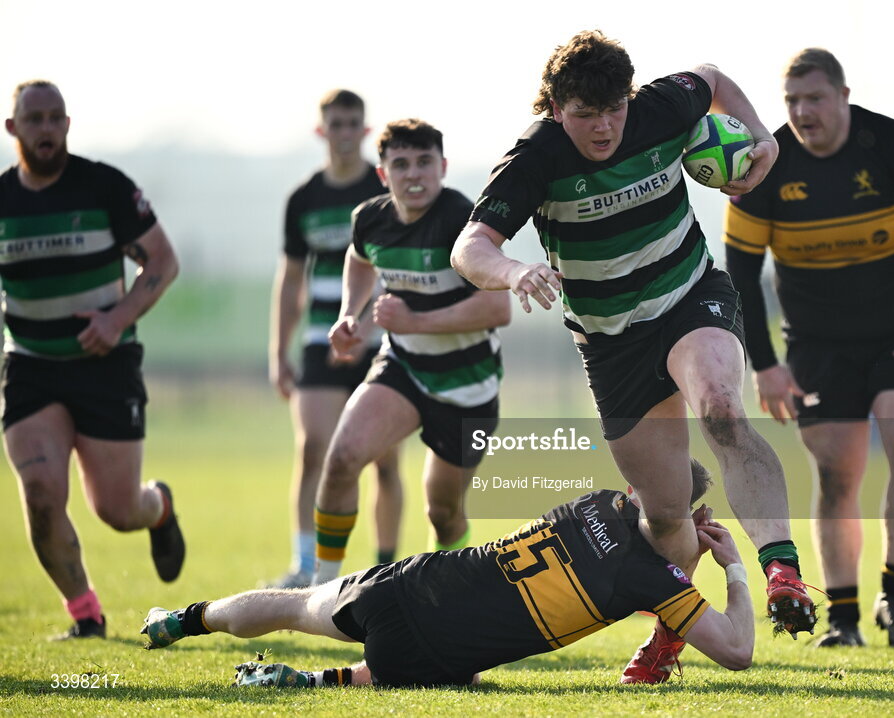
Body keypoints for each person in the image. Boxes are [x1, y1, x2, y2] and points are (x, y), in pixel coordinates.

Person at [449, 29, 815, 682]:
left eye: (614, 107)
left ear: (629, 96)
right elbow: (469, 247)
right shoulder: (536, 156)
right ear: (556, 107)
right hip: (611, 343)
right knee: (666, 511)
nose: (605, 125)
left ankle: (780, 568)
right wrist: (511, 272)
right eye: (586, 114)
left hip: (688, 296)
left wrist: (760, 136)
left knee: (723, 411)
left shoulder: (658, 107)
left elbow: (712, 76)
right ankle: (671, 637)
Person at [723, 48, 894, 647]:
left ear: (843, 96)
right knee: (837, 475)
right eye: (792, 101)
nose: (803, 112)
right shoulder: (765, 167)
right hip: (818, 345)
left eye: (814, 99)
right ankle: (844, 618)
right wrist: (767, 366)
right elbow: (740, 270)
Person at [141, 463, 755, 688]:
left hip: (411, 584)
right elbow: (736, 651)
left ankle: (183, 619)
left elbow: (650, 527)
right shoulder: (652, 582)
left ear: (632, 487)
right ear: (696, 514)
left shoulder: (596, 501)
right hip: (437, 654)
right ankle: (305, 682)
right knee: (431, 667)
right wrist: (732, 571)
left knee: (294, 606)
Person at [1, 80, 184, 639]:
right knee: (40, 495)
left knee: (118, 510)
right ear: (13, 129)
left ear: (68, 124)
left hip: (105, 364)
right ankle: (86, 616)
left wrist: (116, 318)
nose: (47, 127)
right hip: (31, 365)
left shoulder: (103, 186)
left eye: (56, 117)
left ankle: (160, 508)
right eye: (35, 118)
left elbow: (162, 261)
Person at [310, 118, 511, 585]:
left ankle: (443, 590)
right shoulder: (371, 218)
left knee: (443, 514)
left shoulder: (461, 223)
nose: (414, 175)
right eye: (400, 164)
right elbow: (360, 257)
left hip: (468, 386)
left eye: (424, 162)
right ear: (383, 174)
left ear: (442, 167)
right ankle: (319, 590)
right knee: (341, 461)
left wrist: (414, 321)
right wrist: (349, 314)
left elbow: (497, 307)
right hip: (402, 366)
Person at [268, 89, 403, 588]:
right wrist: (277, 353)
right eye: (336, 124)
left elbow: (395, 270)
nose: (345, 133)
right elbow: (289, 280)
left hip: (380, 343)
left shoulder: (385, 188)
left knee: (384, 462)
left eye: (353, 124)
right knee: (313, 451)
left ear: (365, 130)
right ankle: (306, 569)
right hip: (318, 342)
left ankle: (386, 569)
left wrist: (368, 326)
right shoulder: (303, 199)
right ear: (321, 131)